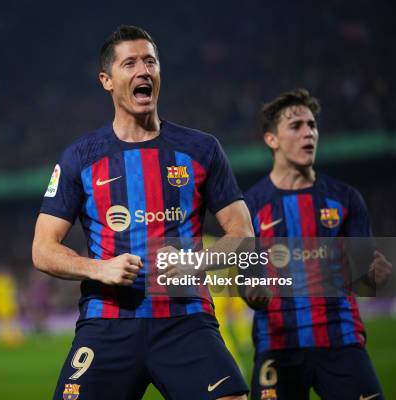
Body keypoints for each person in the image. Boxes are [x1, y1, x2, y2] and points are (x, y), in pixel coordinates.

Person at [32, 25, 253, 400]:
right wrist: (98, 267)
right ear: (107, 80)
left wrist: (191, 266)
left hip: (185, 318)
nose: (143, 71)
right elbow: (42, 249)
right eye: (130, 63)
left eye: (150, 62)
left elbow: (244, 235)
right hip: (107, 323)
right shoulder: (81, 157)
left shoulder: (201, 149)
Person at [244, 88, 392, 400]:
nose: (308, 132)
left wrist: (374, 275)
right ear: (272, 140)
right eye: (295, 126)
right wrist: (253, 293)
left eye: (312, 125)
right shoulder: (250, 207)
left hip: (340, 340)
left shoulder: (345, 198)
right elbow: (248, 282)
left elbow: (363, 278)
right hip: (278, 346)